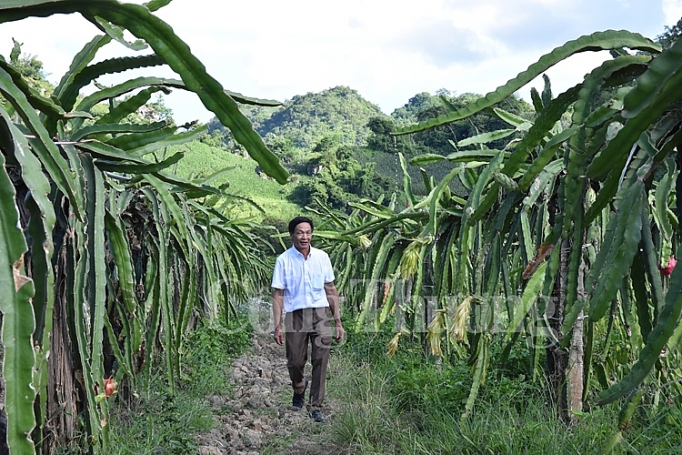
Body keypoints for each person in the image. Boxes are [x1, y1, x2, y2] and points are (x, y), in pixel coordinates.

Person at [271, 216, 345, 422]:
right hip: (295, 315)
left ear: (312, 234)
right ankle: (299, 388)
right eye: (300, 232)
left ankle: (315, 406)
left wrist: (337, 321)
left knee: (321, 359)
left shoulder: (322, 257)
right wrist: (277, 325)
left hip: (321, 314)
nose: (304, 236)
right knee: (295, 361)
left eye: (308, 232)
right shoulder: (283, 260)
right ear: (292, 235)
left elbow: (330, 289)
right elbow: (278, 294)